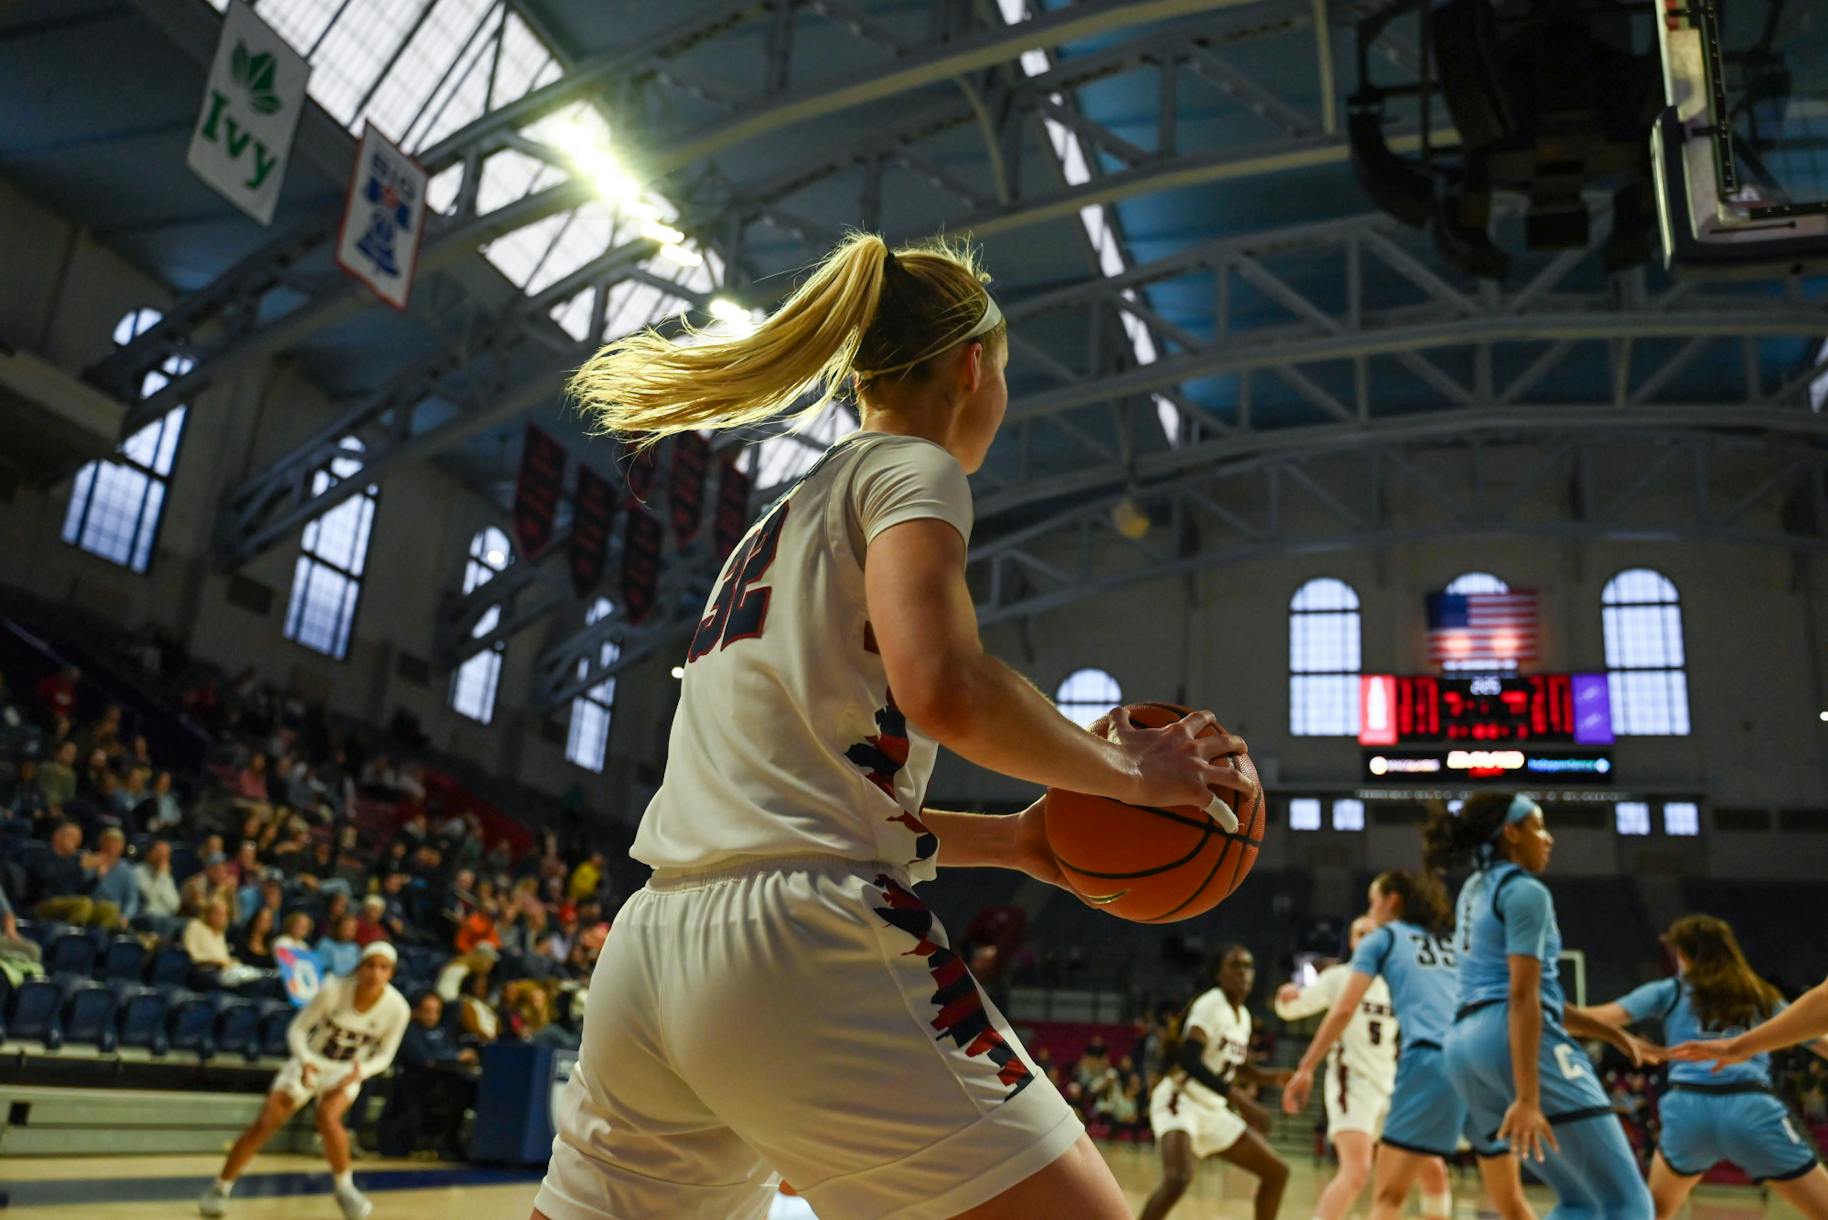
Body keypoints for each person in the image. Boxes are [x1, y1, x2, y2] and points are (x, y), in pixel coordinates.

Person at [529, 233, 1253, 1220]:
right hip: (797, 949)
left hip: (651, 944)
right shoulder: (914, 468)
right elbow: (946, 687)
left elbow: (800, 796)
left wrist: (1015, 842)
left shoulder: (773, 526)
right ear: (973, 368)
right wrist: (1129, 771)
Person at [1432, 793, 1660, 1220]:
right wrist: (1528, 1097)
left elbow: (1533, 997)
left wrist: (1611, 1033)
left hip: (1462, 1047)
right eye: (1538, 826)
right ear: (1511, 833)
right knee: (1628, 1201)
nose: (1548, 838)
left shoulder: (1473, 890)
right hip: (1506, 1038)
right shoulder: (1525, 891)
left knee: (1582, 1202)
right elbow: (1523, 996)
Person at [1282, 872, 1522, 1220]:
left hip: (1425, 1064)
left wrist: (1305, 1068)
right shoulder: (1452, 943)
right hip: (1477, 1062)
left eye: (1373, 902)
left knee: (1390, 1195)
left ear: (1392, 901)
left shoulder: (1386, 940)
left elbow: (1344, 1011)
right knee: (1506, 1198)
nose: (1371, 913)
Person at [1588, 915, 1828, 1218]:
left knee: (1652, 1214)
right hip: (1749, 1105)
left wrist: (1549, 1010)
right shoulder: (1758, 992)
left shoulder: (1672, 990)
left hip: (1688, 1107)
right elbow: (1818, 1040)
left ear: (1682, 954)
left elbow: (1600, 1018)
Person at [198, 942, 410, 1220]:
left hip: (346, 1069)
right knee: (266, 1122)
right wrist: (305, 1060)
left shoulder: (398, 1008)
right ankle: (220, 1187)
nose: (375, 973)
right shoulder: (333, 989)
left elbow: (385, 1056)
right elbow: (297, 1029)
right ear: (360, 967)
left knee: (328, 1117)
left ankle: (344, 1188)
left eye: (383, 968)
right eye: (370, 965)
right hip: (310, 1059)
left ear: (391, 973)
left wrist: (362, 1071)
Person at [1140, 945, 1290, 1220]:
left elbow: (1233, 1066)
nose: (1243, 972)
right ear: (1218, 974)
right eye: (1235, 965)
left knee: (1277, 1172)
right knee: (1178, 1178)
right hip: (1181, 1099)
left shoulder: (1243, 1016)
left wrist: (1271, 1076)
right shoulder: (1211, 1004)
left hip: (1212, 1108)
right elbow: (1189, 1060)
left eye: (1248, 966)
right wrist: (1241, 1099)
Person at [1275, 915, 1411, 1220]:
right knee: (1357, 1170)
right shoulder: (1339, 977)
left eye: (1373, 933)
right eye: (1360, 933)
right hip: (1352, 1082)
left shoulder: (1396, 983)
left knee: (1399, 1176)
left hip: (1389, 1083)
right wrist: (1285, 1000)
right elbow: (1295, 1007)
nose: (1367, 938)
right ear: (1351, 941)